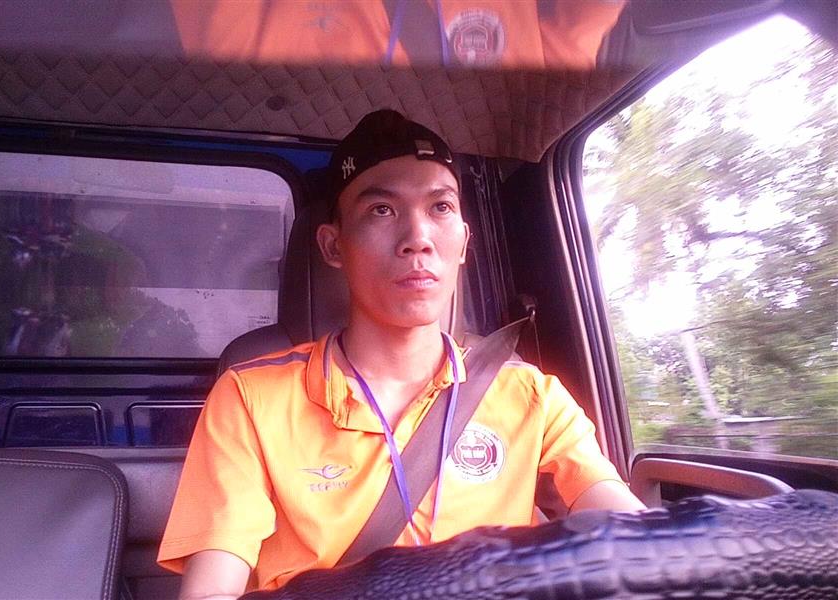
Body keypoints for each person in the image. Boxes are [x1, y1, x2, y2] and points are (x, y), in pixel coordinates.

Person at [157, 109, 645, 600]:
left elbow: (631, 536)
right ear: (333, 246)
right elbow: (211, 590)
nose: (418, 239)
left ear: (463, 243)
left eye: (441, 207)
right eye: (381, 210)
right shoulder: (251, 397)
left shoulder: (531, 396)